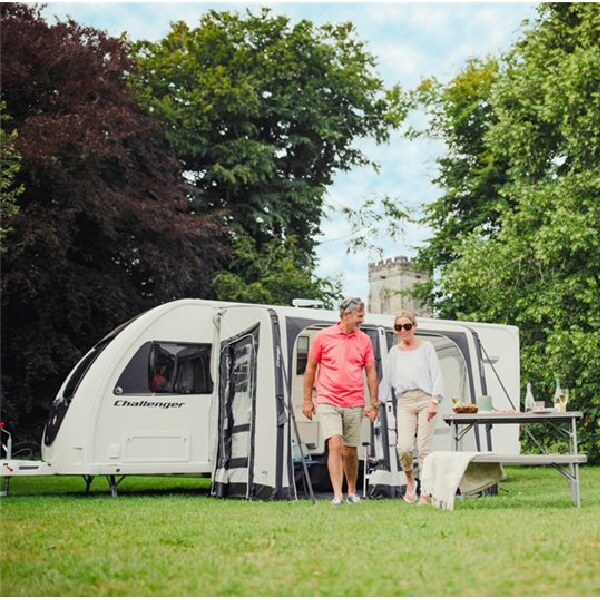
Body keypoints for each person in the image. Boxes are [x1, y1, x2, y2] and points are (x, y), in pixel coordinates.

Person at [303, 297, 379, 505]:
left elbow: (370, 372)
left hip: (354, 401)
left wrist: (374, 402)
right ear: (346, 315)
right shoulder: (323, 337)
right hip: (328, 399)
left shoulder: (364, 340)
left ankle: (352, 491)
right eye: (359, 316)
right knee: (335, 444)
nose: (362, 320)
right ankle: (337, 494)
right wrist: (307, 400)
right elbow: (310, 369)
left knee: (350, 449)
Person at [379, 310, 444, 504]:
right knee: (404, 447)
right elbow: (387, 380)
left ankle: (425, 491)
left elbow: (436, 374)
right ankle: (410, 481)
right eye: (399, 327)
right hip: (405, 401)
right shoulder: (394, 352)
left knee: (424, 448)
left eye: (407, 326)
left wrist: (435, 401)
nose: (403, 330)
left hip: (425, 398)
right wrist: (377, 403)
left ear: (415, 326)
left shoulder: (426, 348)